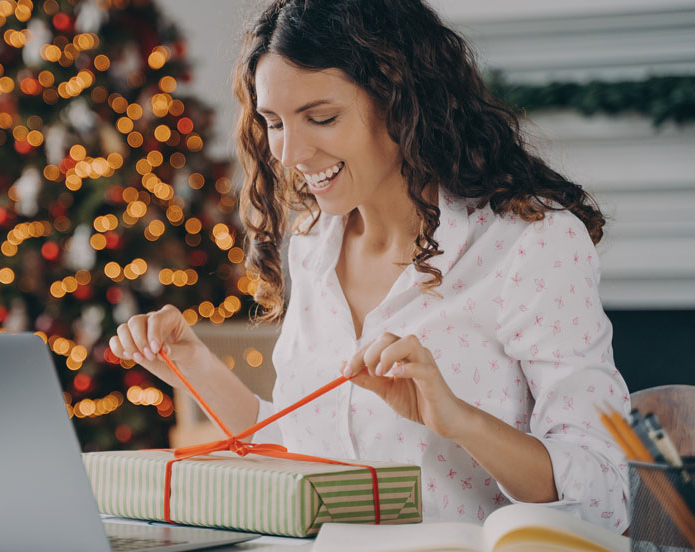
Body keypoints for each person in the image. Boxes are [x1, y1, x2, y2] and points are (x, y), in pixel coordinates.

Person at [108, 0, 629, 532]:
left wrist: (458, 421)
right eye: (273, 123)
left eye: (322, 118)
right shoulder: (312, 244)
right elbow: (300, 452)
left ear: (403, 102)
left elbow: (604, 497)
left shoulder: (530, 242)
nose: (288, 154)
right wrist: (191, 364)